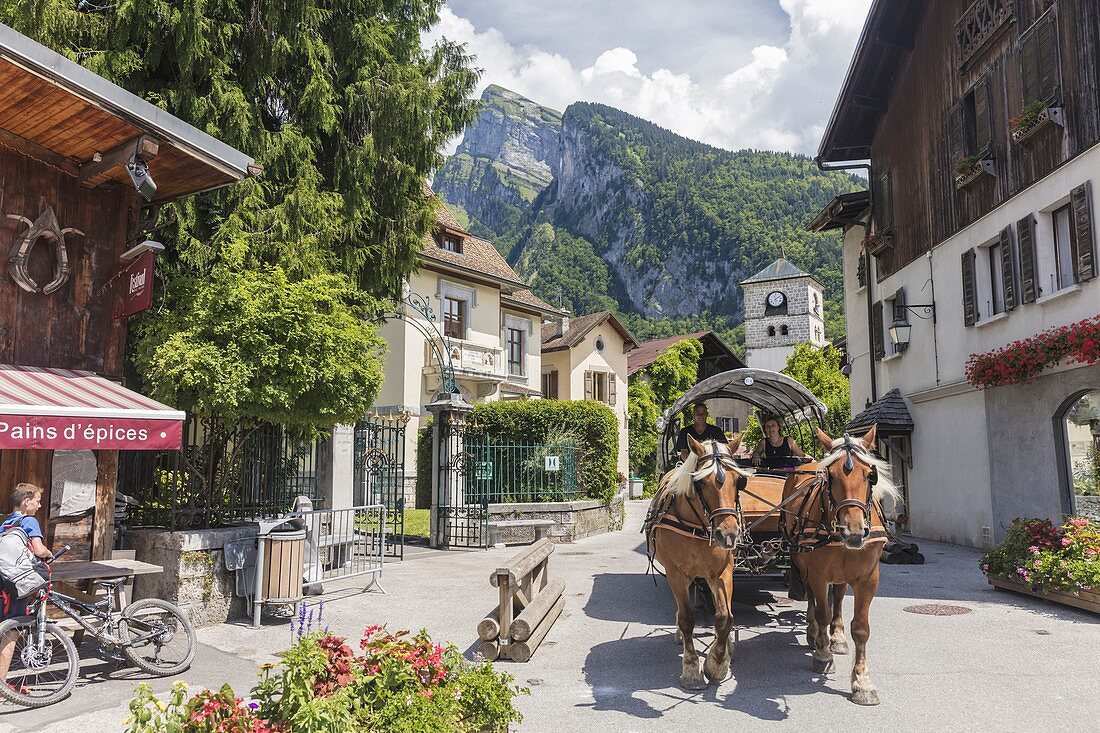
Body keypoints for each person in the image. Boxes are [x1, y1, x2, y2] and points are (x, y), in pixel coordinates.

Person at [0, 483, 55, 690]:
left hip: (3, 581)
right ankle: (3, 686)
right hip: (18, 583)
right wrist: (49, 554)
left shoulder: (4, 523)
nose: (40, 506)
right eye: (38, 501)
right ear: (26, 501)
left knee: (2, 627)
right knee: (11, 632)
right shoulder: (28, 520)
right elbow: (39, 549)